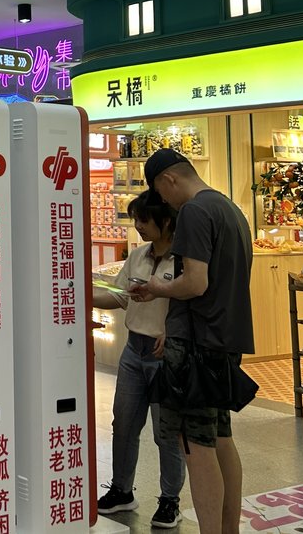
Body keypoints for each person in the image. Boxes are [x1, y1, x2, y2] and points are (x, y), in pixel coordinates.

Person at [131, 149, 254, 534]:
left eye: (160, 192)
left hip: (196, 346)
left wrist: (155, 286)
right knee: (219, 439)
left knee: (195, 448)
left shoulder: (195, 213)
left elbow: (195, 282)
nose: (163, 202)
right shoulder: (230, 209)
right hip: (223, 338)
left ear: (169, 180)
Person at [94, 192, 185, 528]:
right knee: (124, 424)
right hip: (134, 351)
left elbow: (193, 306)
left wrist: (175, 335)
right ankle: (121, 490)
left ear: (166, 220)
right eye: (137, 219)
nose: (139, 226)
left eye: (145, 220)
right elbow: (118, 297)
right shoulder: (137, 256)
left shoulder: (185, 261)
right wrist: (74, 292)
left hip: (167, 357)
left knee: (167, 433)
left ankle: (169, 500)